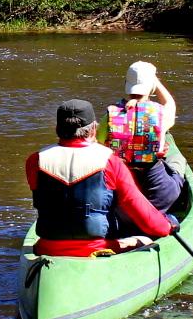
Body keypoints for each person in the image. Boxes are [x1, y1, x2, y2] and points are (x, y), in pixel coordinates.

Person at [26, 99, 177, 257]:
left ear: (57, 129)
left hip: (47, 248)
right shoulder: (110, 161)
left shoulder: (35, 161)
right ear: (93, 130)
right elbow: (146, 219)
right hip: (97, 249)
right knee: (145, 240)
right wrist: (168, 226)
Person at [97, 61, 184, 215]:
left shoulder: (109, 117)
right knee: (177, 159)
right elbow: (170, 102)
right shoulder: (160, 114)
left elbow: (98, 147)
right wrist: (155, 81)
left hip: (122, 195)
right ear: (151, 87)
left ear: (126, 85)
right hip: (159, 195)